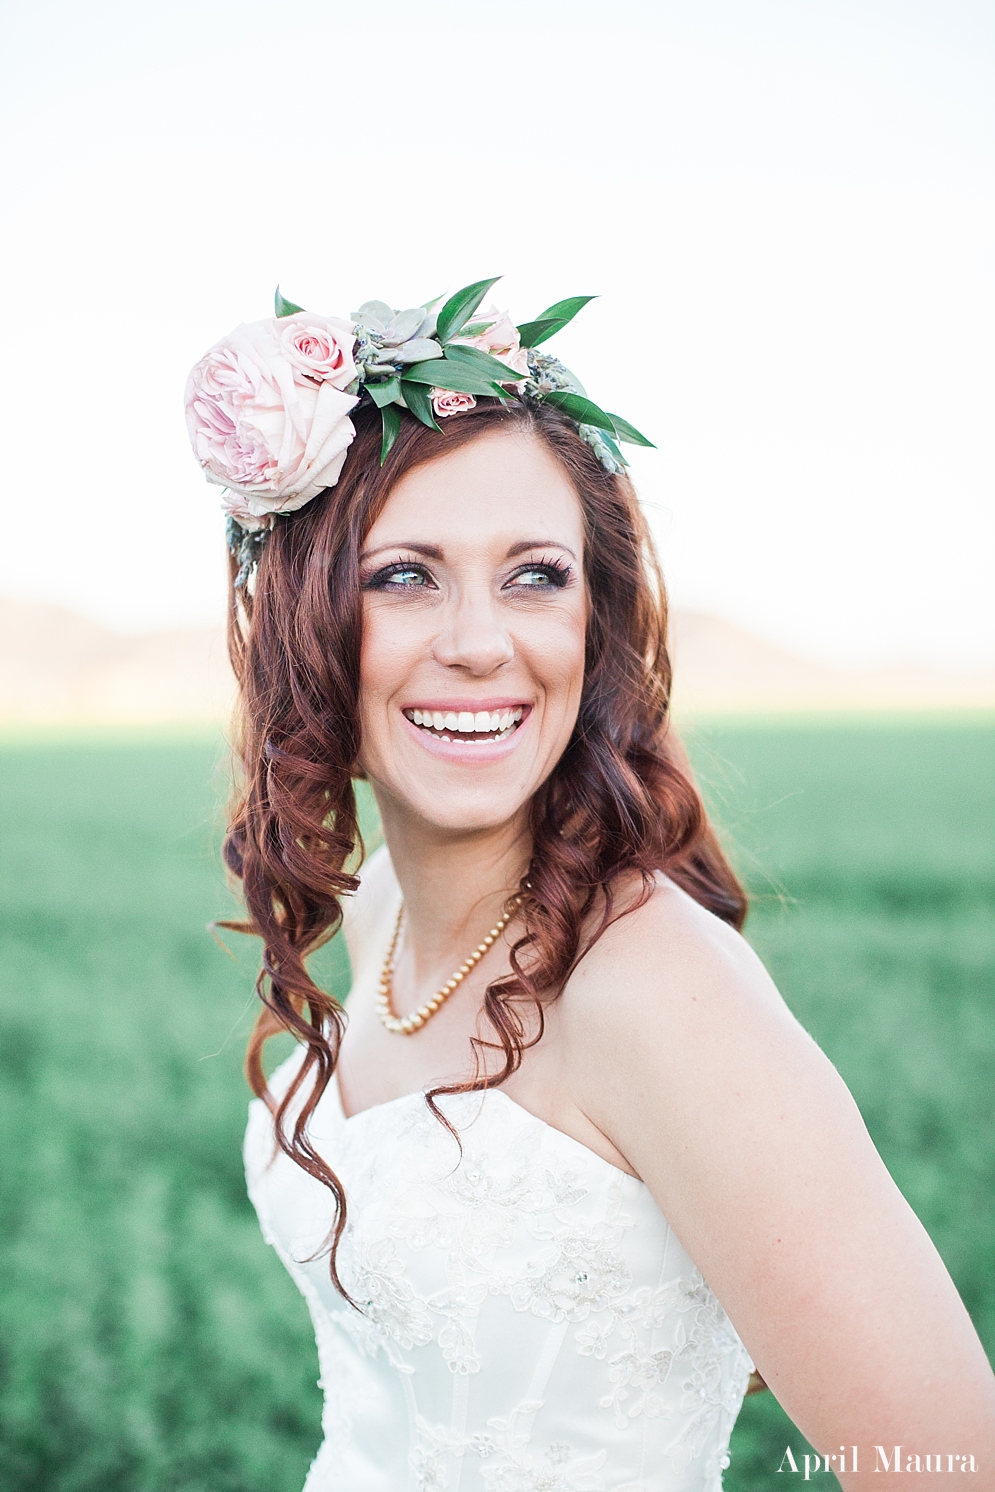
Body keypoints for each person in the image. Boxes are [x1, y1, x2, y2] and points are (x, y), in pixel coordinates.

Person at [186, 283, 995, 1491]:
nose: (477, 640)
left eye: (533, 577)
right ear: (307, 620)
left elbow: (948, 1462)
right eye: (404, 574)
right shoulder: (380, 915)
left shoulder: (658, 994)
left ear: (593, 621)